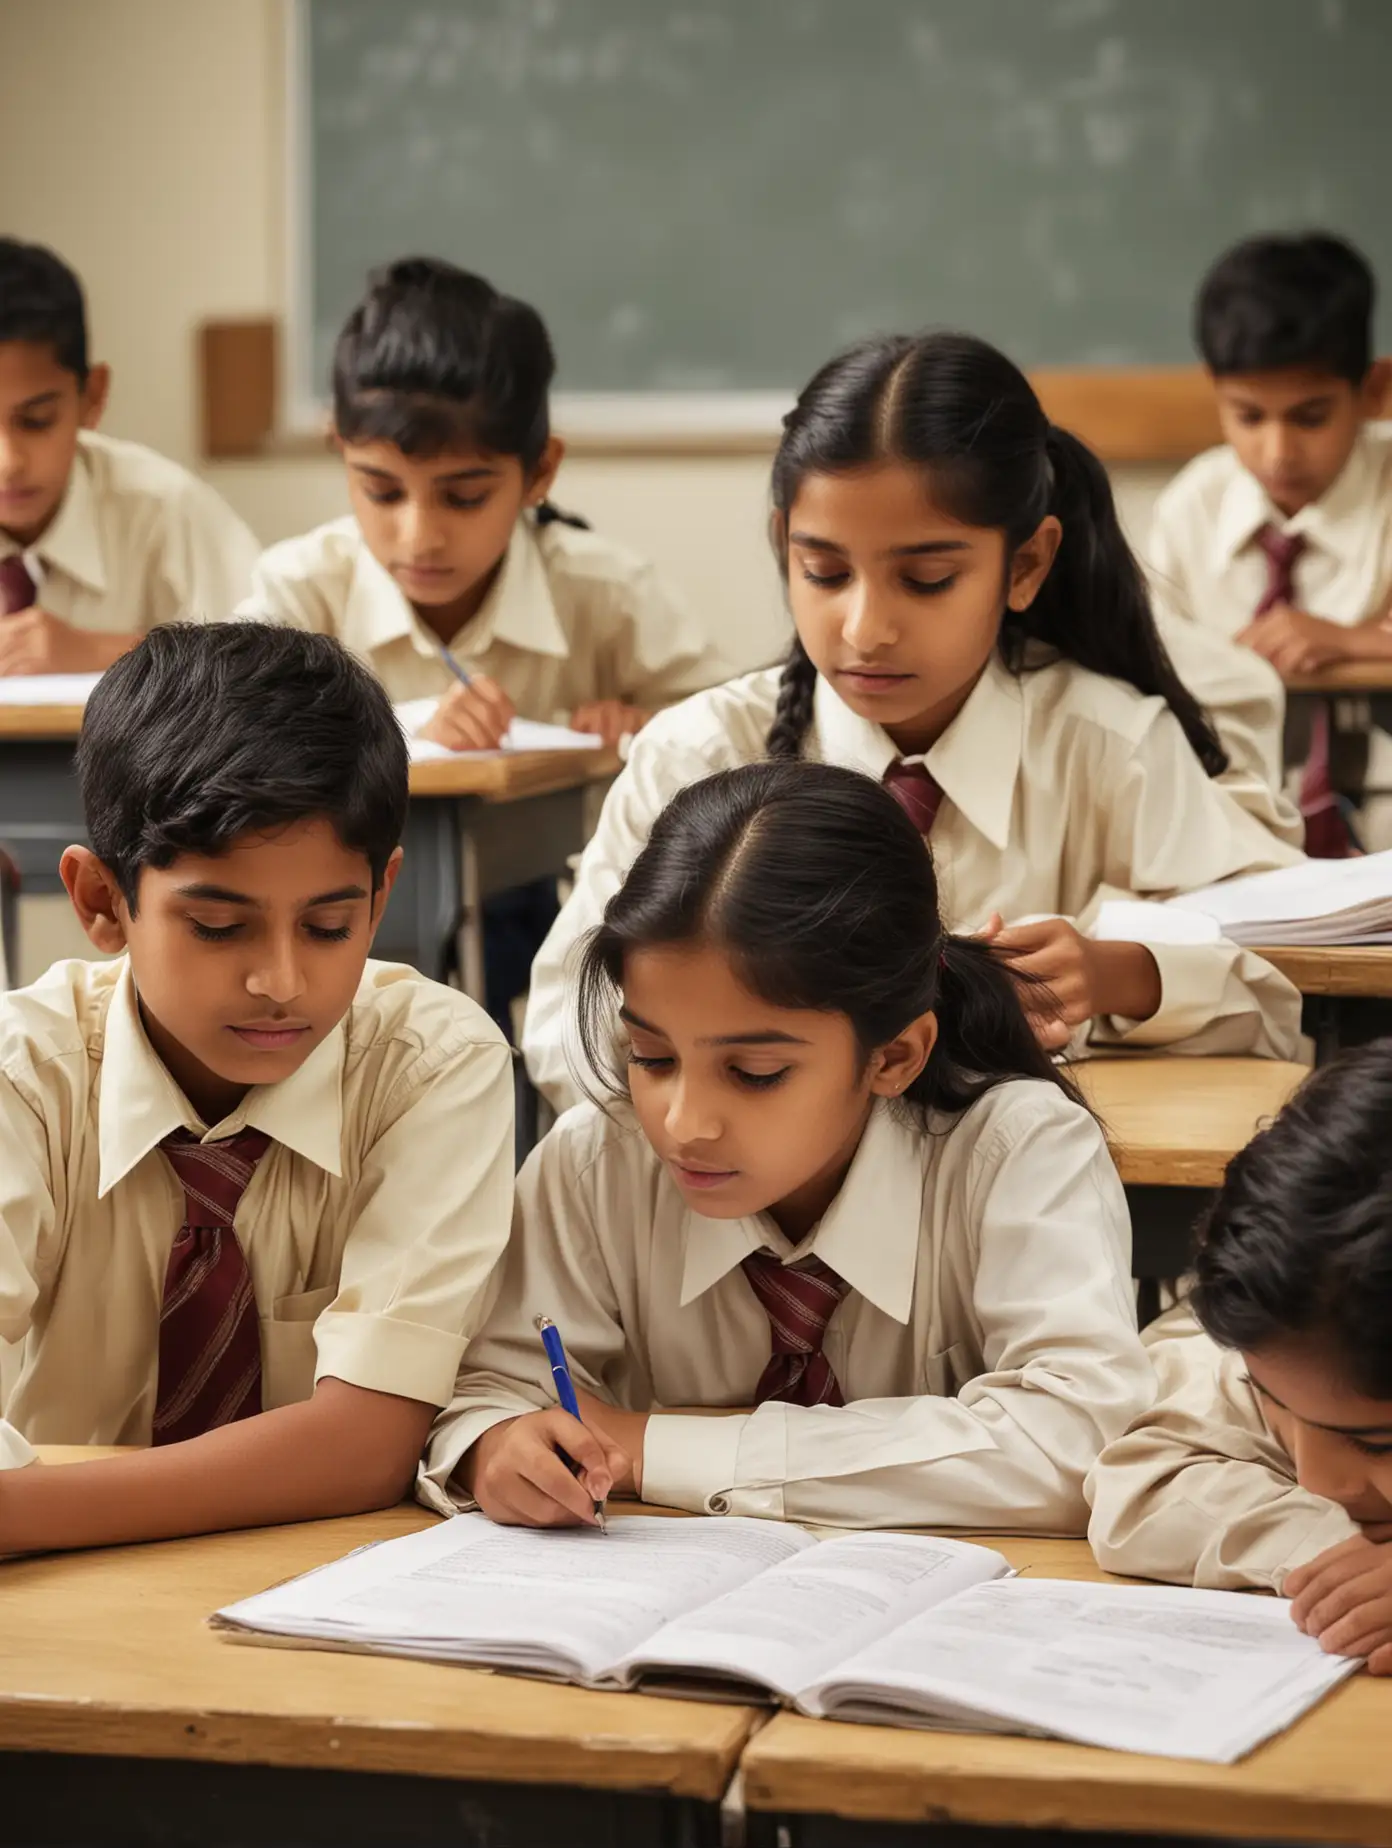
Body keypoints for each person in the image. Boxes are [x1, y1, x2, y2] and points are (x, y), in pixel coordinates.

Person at [523, 330, 1303, 1111]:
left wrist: (1119, 975)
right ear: (781, 546)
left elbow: (1282, 997)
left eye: (927, 579)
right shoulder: (698, 754)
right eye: (824, 572)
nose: (865, 628)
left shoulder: (1112, 748)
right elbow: (565, 1031)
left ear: (1026, 565)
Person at [422, 762, 1152, 1533]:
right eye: (652, 1056)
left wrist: (654, 1447)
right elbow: (489, 1391)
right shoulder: (598, 1161)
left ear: (895, 1056)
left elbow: (1077, 1443)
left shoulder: (1016, 1150)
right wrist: (496, 1443)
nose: (683, 1122)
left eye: (755, 1072)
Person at [0, 623, 513, 1553]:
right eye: (218, 927)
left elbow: (364, 1447)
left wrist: (23, 1513)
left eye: (327, 927)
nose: (280, 980)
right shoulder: (24, 1079)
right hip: (53, 1600)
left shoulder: (432, 1066)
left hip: (329, 1584)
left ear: (382, 895)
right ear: (101, 903)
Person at [238, 256, 722, 1026]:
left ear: (539, 472)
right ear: (340, 450)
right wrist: (397, 730)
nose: (419, 535)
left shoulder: (608, 593)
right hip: (325, 937)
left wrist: (650, 735)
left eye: (465, 496)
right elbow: (227, 748)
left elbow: (732, 743)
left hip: (549, 931)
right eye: (381, 490)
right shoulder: (299, 587)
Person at [1088, 1043, 1392, 1676]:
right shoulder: (1299, 1322)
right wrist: (1333, 1556)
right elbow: (1142, 1487)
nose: (1315, 1479)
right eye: (1270, 1400)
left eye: (1375, 1444)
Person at [1148, 233, 1392, 854]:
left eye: (1310, 417)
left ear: (1373, 392)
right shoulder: (1190, 509)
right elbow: (1139, 665)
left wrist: (1353, 642)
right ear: (1215, 391)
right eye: (1250, 417)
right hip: (1232, 836)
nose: (1278, 451)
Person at [0, 237, 259, 674]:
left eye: (37, 420)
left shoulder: (165, 507)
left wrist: (103, 655)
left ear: (93, 397)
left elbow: (275, 668)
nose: (8, 462)